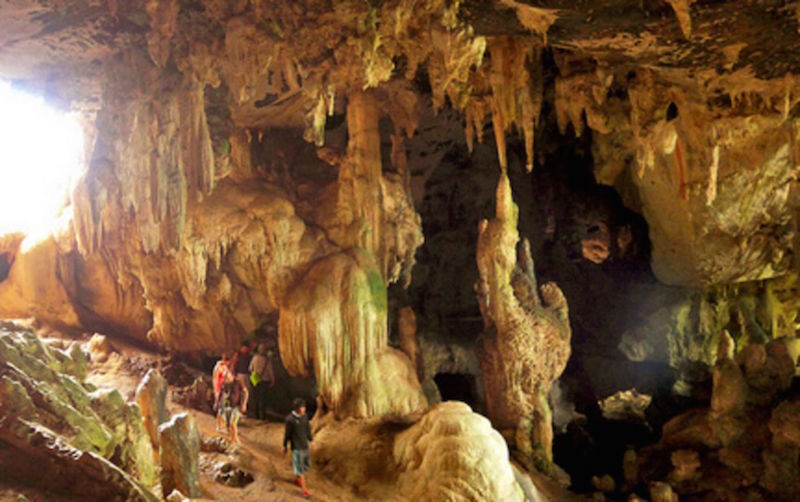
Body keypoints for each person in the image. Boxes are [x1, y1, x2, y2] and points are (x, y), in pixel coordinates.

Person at [283, 398, 314, 498]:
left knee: (305, 466)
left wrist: (311, 441)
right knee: (301, 469)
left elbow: (307, 429)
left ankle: (297, 478)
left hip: (304, 445)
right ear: (296, 408)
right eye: (302, 407)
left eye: (304, 407)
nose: (304, 409)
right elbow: (287, 434)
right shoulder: (290, 420)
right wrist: (285, 445)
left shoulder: (304, 417)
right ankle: (304, 490)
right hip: (296, 447)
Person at [217, 370, 248, 444]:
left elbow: (245, 392)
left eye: (227, 377)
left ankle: (236, 440)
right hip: (227, 406)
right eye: (224, 378)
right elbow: (221, 394)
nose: (226, 379)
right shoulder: (224, 383)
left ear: (231, 375)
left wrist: (244, 403)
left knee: (232, 424)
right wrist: (218, 403)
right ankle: (232, 440)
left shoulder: (238, 382)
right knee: (228, 425)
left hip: (236, 407)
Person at [249, 343, 275, 420]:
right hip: (264, 381)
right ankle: (262, 416)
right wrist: (273, 380)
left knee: (256, 398)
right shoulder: (267, 360)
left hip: (255, 380)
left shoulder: (254, 358)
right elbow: (270, 371)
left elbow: (250, 368)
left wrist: (255, 374)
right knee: (263, 399)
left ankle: (256, 415)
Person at [233, 343, 253, 414]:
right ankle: (238, 406)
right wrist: (234, 374)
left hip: (246, 375)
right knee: (241, 391)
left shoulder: (249, 356)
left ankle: (243, 407)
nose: (245, 350)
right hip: (240, 374)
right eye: (244, 348)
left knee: (246, 391)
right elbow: (234, 364)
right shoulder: (238, 355)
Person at [211, 352, 232, 417]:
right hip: (219, 386)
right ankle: (218, 413)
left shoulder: (225, 367)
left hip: (225, 386)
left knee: (224, 401)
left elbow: (229, 376)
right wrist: (216, 388)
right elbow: (215, 378)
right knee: (219, 401)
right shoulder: (218, 367)